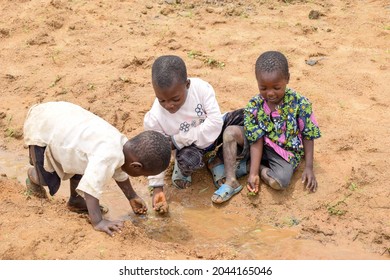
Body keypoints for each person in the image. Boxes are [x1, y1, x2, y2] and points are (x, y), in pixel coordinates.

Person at [23, 101, 171, 236]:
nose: (139, 177)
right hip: (43, 127)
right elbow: (90, 187)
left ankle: (75, 201)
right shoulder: (108, 155)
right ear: (136, 166)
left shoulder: (124, 146)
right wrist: (98, 221)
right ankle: (33, 176)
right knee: (47, 178)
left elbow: (119, 171)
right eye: (142, 175)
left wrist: (131, 196)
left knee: (85, 165)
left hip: (62, 119)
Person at [144, 55, 247, 207]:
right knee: (187, 161)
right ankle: (183, 170)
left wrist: (177, 139)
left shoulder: (201, 89)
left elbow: (215, 122)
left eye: (175, 99)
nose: (169, 105)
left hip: (213, 133)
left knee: (249, 116)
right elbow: (155, 153)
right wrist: (157, 187)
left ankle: (217, 160)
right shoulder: (154, 118)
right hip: (190, 149)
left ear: (187, 84)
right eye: (162, 100)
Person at [244, 50, 321, 194]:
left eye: (277, 88)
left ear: (287, 79)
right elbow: (256, 138)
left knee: (279, 182)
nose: (270, 93)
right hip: (258, 145)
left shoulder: (300, 104)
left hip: (284, 152)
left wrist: (309, 167)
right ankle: (235, 174)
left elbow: (308, 135)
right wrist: (252, 174)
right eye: (263, 88)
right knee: (230, 134)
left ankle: (250, 166)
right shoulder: (254, 104)